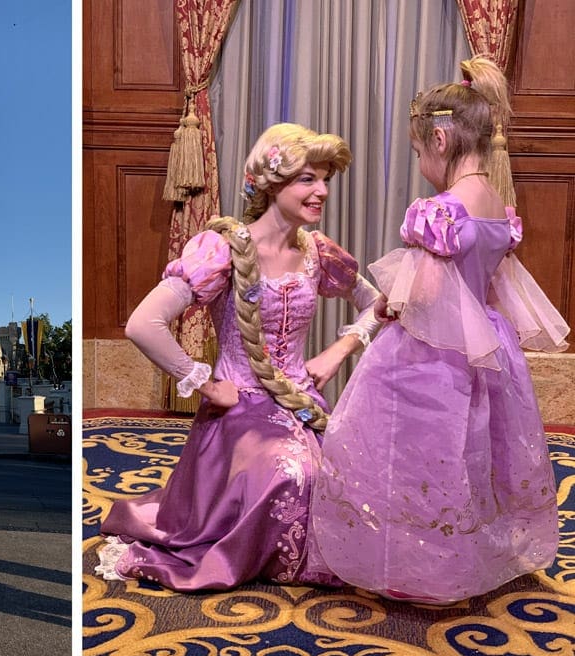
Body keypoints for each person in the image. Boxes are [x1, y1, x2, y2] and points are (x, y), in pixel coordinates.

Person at [312, 57, 570, 605]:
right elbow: (494, 286)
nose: (421, 164)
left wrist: (377, 307)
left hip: (429, 355)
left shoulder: (441, 210)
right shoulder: (499, 205)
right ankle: (462, 561)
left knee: (400, 454)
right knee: (468, 457)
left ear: (440, 137)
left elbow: (422, 296)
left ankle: (412, 571)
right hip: (483, 343)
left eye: (418, 151)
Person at [94, 123, 382, 591]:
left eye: (326, 179)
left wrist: (337, 352)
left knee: (356, 482)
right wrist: (205, 384)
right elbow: (142, 324)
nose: (322, 191)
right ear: (272, 182)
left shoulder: (318, 252)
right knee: (294, 475)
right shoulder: (223, 249)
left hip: (302, 405)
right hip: (240, 412)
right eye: (308, 179)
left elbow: (377, 305)